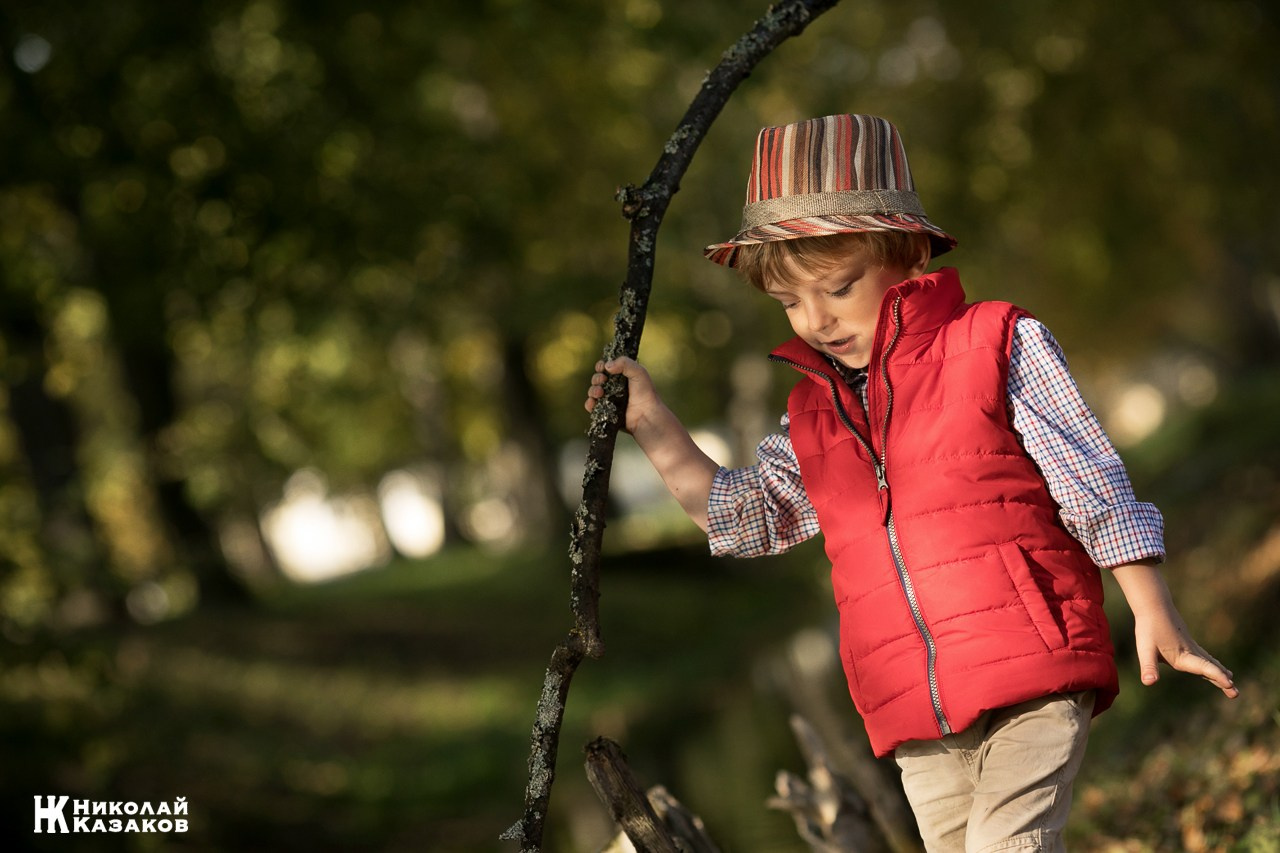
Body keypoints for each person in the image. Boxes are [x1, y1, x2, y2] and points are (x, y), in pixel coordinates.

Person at [584, 114, 1238, 852]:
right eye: (791, 304)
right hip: (914, 713)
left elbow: (1091, 480)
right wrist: (652, 423)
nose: (816, 320)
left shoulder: (994, 343)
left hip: (1034, 670)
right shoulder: (812, 411)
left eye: (837, 288)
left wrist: (1151, 605)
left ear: (908, 252)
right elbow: (744, 517)